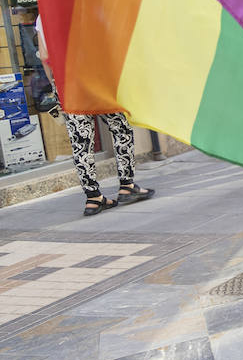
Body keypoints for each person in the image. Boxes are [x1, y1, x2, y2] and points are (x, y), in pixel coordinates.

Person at [34, 14, 154, 217]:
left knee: (80, 141)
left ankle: (93, 197)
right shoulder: (84, 0)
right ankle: (126, 185)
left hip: (67, 84)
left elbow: (45, 55)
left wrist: (56, 86)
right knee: (120, 127)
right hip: (96, 78)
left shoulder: (44, 14)